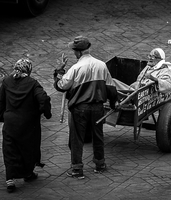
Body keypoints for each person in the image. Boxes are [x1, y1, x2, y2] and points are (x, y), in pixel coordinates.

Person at [53, 35, 118, 179]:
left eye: (74, 51)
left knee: (77, 139)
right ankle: (100, 165)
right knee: (98, 136)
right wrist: (114, 103)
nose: (74, 53)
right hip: (98, 108)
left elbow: (61, 86)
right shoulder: (102, 65)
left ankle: (77, 170)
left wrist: (59, 71)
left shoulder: (76, 68)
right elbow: (111, 88)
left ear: (78, 52)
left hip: (80, 109)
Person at [0, 58, 52, 193]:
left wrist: (2, 117)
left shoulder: (6, 81)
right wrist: (45, 113)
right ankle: (28, 173)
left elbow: (1, 102)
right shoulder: (33, 83)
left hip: (10, 123)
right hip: (28, 123)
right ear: (28, 69)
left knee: (10, 149)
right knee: (28, 148)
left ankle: (10, 179)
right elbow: (43, 99)